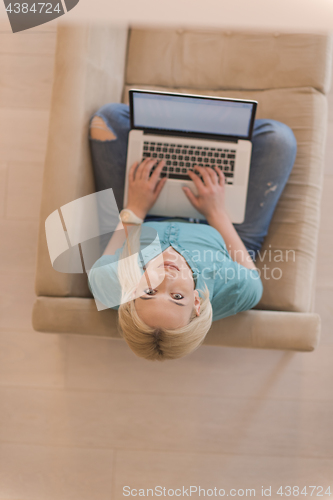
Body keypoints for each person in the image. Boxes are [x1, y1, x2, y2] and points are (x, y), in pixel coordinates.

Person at [87, 103, 297, 361]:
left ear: (131, 295)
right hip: (218, 231)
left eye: (149, 292)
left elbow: (115, 241)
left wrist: (135, 207)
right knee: (279, 139)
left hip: (145, 218)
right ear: (196, 303)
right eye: (177, 296)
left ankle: (181, 120)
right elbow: (253, 280)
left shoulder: (109, 284)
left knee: (107, 120)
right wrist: (217, 212)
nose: (165, 276)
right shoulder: (235, 287)